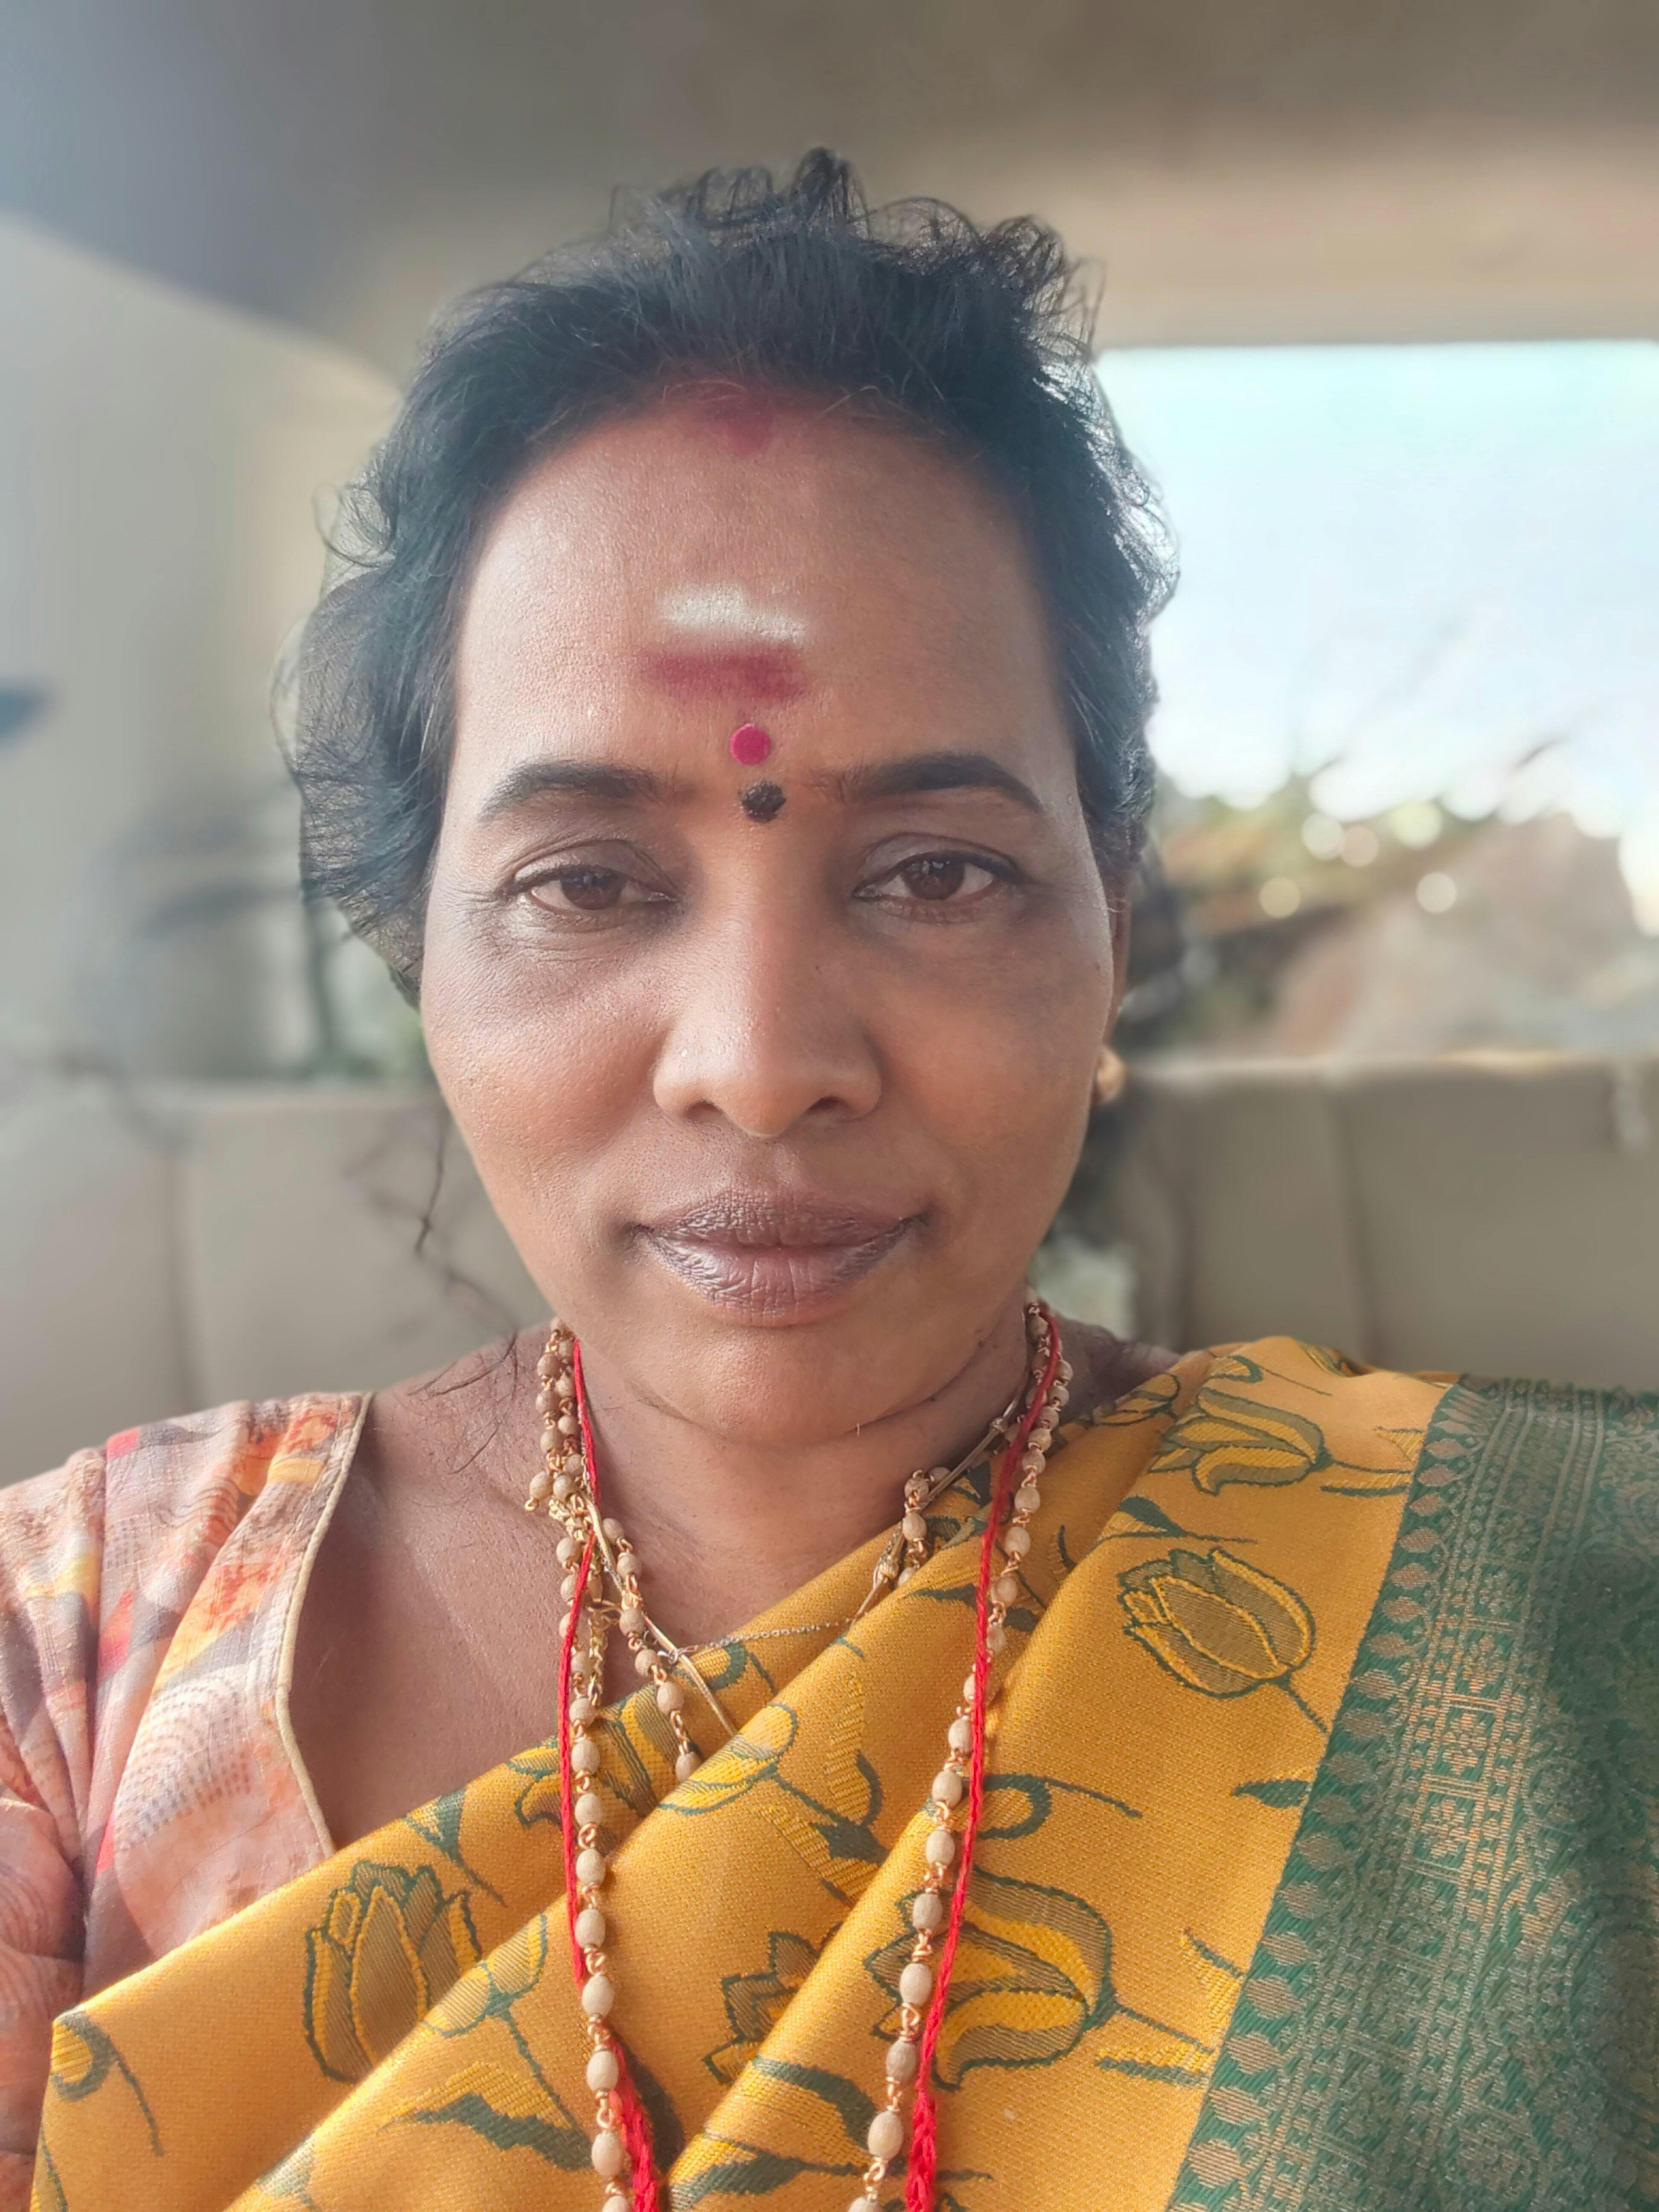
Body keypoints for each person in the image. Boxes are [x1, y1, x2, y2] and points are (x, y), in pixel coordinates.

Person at [1, 154, 1653, 2212]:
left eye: (937, 874)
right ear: (414, 949)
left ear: (1110, 925)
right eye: (588, 884)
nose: (763, 1060)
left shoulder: (1548, 1626)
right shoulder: (73, 1663)